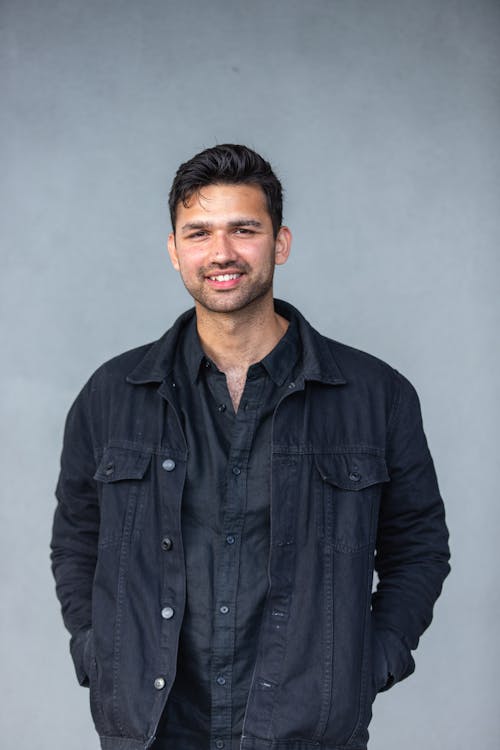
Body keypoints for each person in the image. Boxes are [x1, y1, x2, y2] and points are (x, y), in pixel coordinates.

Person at [51, 144, 450, 750]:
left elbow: (418, 546)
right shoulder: (112, 395)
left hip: (306, 731)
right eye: (199, 233)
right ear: (174, 250)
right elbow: (77, 540)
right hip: (151, 730)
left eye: (244, 229)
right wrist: (96, 648)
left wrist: (367, 663)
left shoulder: (376, 395)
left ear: (280, 243)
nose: (221, 253)